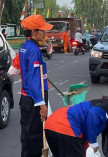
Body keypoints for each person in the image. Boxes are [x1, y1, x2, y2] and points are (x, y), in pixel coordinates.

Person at [44, 89, 108, 157]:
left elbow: (86, 127)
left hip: (51, 124)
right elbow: (93, 114)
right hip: (68, 127)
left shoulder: (98, 103)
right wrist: (93, 143)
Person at [19, 15, 53, 157]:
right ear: (33, 32)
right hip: (33, 100)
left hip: (26, 98)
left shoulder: (25, 47)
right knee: (34, 138)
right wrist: (42, 105)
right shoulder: (34, 50)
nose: (45, 33)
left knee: (27, 137)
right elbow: (33, 80)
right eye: (42, 31)